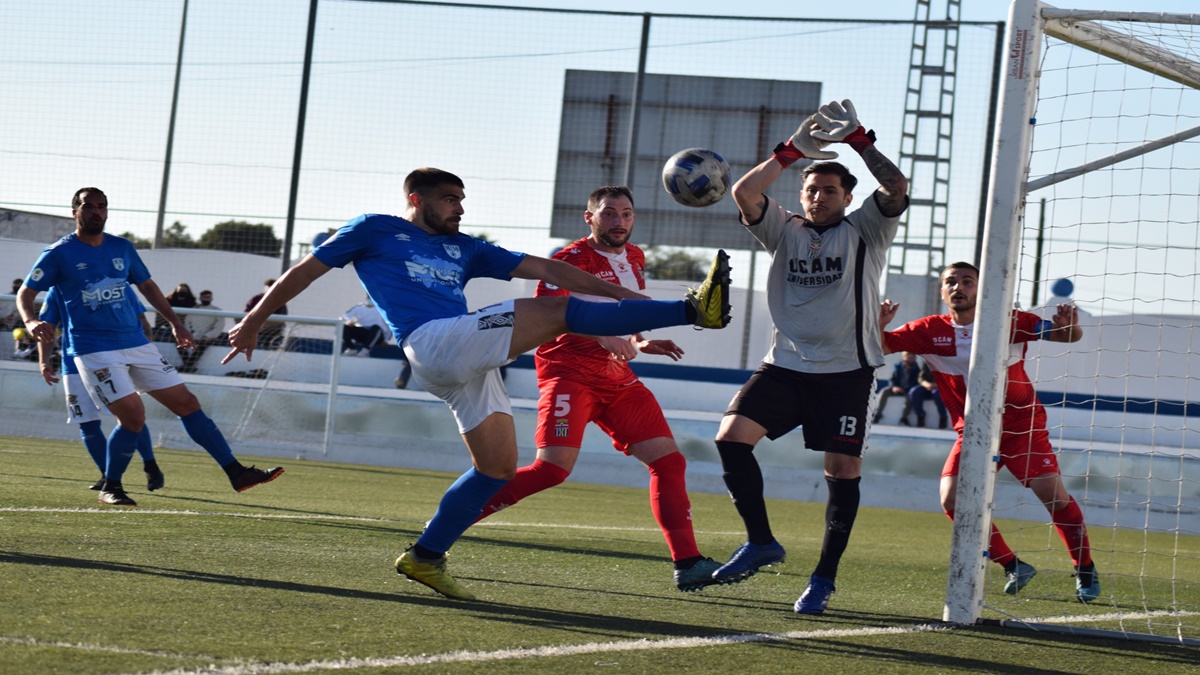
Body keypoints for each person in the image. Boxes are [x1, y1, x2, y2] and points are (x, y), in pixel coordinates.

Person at [223, 167, 731, 601]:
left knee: (497, 469)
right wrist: (254, 320)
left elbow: (551, 269)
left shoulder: (465, 247)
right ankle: (692, 309)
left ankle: (425, 555)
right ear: (415, 199)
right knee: (556, 313)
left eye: (462, 200)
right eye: (449, 200)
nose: (458, 208)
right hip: (432, 340)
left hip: (464, 357)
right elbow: (304, 272)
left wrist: (632, 304)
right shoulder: (373, 229)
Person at [711, 99, 909, 615]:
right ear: (801, 195)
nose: (819, 196)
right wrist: (792, 151)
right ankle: (760, 542)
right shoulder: (784, 229)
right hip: (785, 366)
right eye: (811, 189)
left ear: (847, 197)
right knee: (730, 440)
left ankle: (823, 578)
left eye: (829, 190)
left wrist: (860, 142)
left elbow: (896, 189)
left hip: (846, 373)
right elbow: (745, 191)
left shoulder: (866, 228)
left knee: (842, 469)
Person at [474, 185, 724, 592]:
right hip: (569, 371)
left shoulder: (636, 257)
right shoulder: (570, 260)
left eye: (626, 214)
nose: (619, 222)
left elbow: (625, 311)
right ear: (589, 217)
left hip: (618, 378)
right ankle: (451, 521)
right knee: (551, 470)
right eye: (609, 213)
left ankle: (688, 562)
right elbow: (547, 315)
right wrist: (602, 337)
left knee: (669, 462)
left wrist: (640, 340)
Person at [17, 187, 283, 507]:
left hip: (136, 343)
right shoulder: (58, 253)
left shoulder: (122, 247)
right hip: (94, 349)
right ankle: (111, 486)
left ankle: (236, 473)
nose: (96, 212)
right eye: (88, 206)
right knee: (133, 415)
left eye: (102, 206)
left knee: (187, 403)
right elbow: (25, 295)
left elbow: (148, 286)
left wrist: (175, 322)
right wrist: (31, 322)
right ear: (75, 211)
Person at [880, 261, 1100, 602]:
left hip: (1021, 427)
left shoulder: (1008, 322)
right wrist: (878, 327)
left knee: (1054, 498)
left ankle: (1085, 569)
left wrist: (1070, 327)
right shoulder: (927, 330)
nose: (959, 287)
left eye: (967, 281)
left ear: (981, 291)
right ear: (942, 292)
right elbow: (881, 345)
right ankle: (1013, 565)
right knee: (951, 498)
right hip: (974, 432)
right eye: (951, 282)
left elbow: (1066, 336)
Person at [37, 285, 165, 491]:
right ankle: (108, 476)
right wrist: (43, 361)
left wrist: (142, 355)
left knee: (130, 416)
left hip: (111, 362)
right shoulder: (59, 288)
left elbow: (142, 320)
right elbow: (46, 326)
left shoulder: (118, 283)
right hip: (74, 363)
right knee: (86, 422)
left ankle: (150, 466)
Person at [179, 289, 225, 373]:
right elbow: (187, 322)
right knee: (180, 343)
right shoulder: (194, 309)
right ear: (200, 298)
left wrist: (208, 335)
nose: (206, 299)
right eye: (204, 297)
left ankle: (188, 367)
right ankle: (188, 366)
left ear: (211, 298)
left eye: (208, 297)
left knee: (202, 345)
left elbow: (219, 327)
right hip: (193, 335)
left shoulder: (217, 311)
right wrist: (189, 334)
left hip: (207, 337)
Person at [872, 351, 921, 425]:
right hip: (896, 389)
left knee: (911, 396)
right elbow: (892, 379)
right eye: (908, 357)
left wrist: (905, 389)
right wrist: (894, 387)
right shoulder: (898, 367)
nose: (910, 359)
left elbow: (915, 382)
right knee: (884, 391)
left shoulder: (916, 369)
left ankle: (904, 418)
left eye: (912, 358)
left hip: (907, 390)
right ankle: (878, 414)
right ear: (904, 357)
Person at [244, 279, 287, 349]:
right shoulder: (256, 299)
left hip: (272, 331)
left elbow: (282, 318)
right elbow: (246, 313)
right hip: (255, 329)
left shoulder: (280, 301)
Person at [909, 360, 948, 429]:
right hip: (926, 386)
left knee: (937, 394)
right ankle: (920, 415)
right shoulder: (927, 362)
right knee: (914, 392)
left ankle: (943, 417)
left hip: (939, 387)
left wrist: (936, 385)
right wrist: (926, 384)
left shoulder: (946, 363)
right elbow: (921, 377)